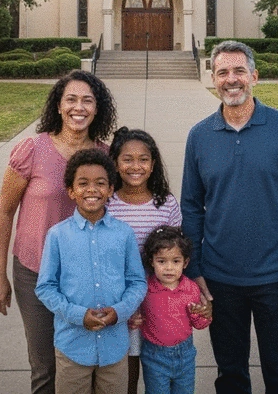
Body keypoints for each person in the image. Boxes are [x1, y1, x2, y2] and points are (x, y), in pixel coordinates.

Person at [181, 41, 278, 394]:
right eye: (223, 72)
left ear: (254, 76)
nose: (232, 80)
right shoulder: (199, 136)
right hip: (219, 280)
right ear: (213, 79)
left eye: (239, 71)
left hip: (276, 280)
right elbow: (191, 207)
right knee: (230, 376)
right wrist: (194, 270)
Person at [0, 70, 118, 394]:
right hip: (33, 272)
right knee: (45, 367)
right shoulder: (32, 149)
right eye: (71, 99)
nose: (79, 107)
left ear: (97, 108)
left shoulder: (106, 156)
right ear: (59, 106)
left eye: (87, 100)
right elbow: (5, 212)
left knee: (87, 366)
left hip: (86, 276)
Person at [35, 148, 148, 394]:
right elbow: (45, 287)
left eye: (100, 183)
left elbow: (137, 282)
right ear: (71, 191)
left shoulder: (124, 233)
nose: (92, 189)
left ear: (110, 190)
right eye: (83, 183)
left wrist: (120, 312)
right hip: (72, 347)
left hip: (115, 348)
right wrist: (77, 315)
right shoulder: (57, 235)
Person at [106, 127, 183, 394]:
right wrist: (125, 306)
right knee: (126, 371)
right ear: (115, 162)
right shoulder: (107, 204)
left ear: (153, 165)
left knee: (158, 373)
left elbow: (176, 257)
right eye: (127, 159)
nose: (135, 166)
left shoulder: (167, 204)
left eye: (143, 159)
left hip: (157, 302)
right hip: (120, 300)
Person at [139, 226, 212, 394]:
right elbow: (135, 315)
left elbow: (200, 324)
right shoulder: (145, 289)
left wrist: (200, 315)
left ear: (185, 262)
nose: (169, 268)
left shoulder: (192, 289)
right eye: (161, 261)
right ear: (152, 261)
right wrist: (133, 319)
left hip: (185, 356)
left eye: (176, 261)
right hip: (154, 356)